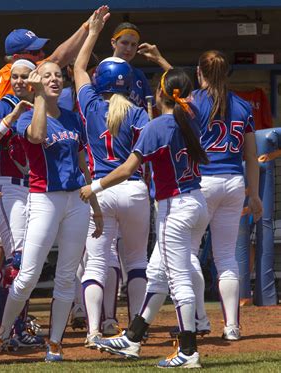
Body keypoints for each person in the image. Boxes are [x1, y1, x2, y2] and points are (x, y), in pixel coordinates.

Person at [83, 68, 209, 368]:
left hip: (175, 207)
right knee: (156, 274)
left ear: (160, 94)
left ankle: (188, 351)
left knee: (178, 281)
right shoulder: (190, 117)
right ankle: (133, 338)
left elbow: (127, 169)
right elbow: (188, 98)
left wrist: (95, 186)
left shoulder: (159, 126)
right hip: (196, 202)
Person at [0, 61, 103, 363]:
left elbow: (83, 166)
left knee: (65, 277)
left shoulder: (74, 119)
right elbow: (36, 136)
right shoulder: (27, 115)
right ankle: (2, 332)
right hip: (43, 198)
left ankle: (56, 343)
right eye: (47, 75)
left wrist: (97, 207)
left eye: (58, 76)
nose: (54, 80)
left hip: (76, 199)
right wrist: (36, 97)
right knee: (27, 275)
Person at [73, 7, 150, 347]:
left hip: (99, 192)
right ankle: (134, 332)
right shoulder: (136, 111)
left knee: (96, 264)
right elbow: (147, 153)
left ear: (99, 80)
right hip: (132, 190)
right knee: (136, 262)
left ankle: (93, 331)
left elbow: (77, 67)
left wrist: (92, 32)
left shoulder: (90, 104)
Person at [188, 50, 263, 340]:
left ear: (200, 72)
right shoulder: (243, 106)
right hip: (233, 182)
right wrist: (254, 194)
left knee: (189, 252)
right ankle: (231, 326)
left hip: (203, 182)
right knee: (226, 257)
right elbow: (252, 155)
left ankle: (198, 319)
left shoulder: (193, 101)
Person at [0, 59, 45, 348]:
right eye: (16, 76)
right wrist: (13, 115)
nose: (19, 81)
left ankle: (16, 327)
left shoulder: (44, 105)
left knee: (27, 263)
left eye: (25, 76)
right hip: (8, 187)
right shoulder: (3, 104)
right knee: (17, 262)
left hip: (36, 190)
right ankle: (1, 327)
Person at [0, 6, 109, 119]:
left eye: (40, 49)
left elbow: (59, 58)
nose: (41, 54)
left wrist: (87, 27)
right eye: (34, 52)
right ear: (16, 57)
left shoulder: (30, 68)